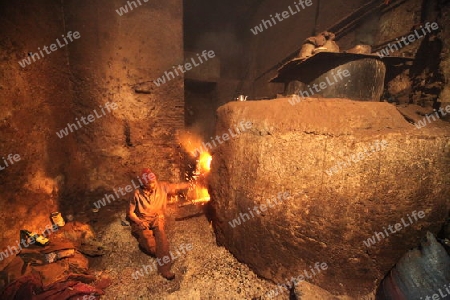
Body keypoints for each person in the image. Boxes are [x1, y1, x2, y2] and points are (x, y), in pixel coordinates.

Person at [127, 168, 189, 280]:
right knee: (150, 245)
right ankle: (162, 253)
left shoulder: (162, 186)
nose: (154, 184)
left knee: (161, 237)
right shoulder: (136, 194)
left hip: (157, 217)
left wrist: (192, 184)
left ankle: (165, 269)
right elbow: (130, 213)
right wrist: (139, 222)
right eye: (151, 183)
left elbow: (177, 186)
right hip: (143, 220)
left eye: (154, 181)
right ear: (144, 184)